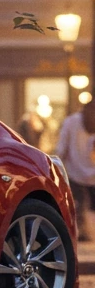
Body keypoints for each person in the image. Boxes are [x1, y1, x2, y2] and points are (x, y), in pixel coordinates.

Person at [54, 101, 95, 242]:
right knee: (85, 205)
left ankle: (82, 234)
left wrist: (56, 167)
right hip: (84, 171)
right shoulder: (71, 122)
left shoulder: (70, 122)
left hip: (74, 171)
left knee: (79, 205)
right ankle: (87, 234)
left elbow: (61, 147)